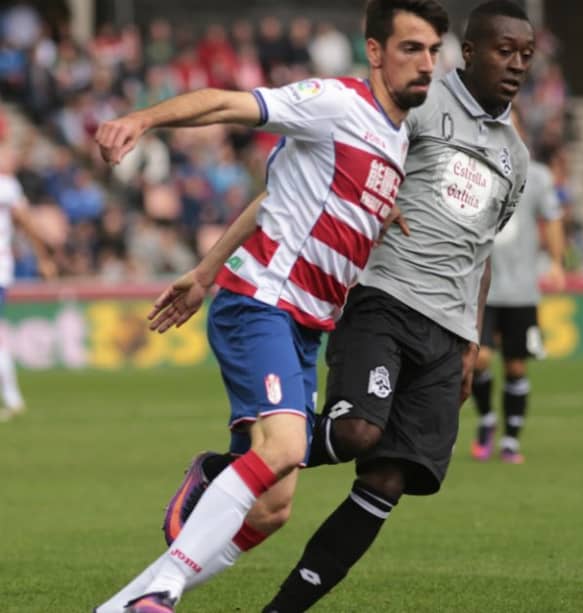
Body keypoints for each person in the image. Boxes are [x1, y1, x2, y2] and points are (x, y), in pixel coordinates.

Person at [91, 2, 447, 611]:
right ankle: (164, 592)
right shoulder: (336, 102)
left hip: (307, 327)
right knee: (283, 449)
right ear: (375, 51)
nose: (427, 63)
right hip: (262, 303)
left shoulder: (396, 139)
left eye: (434, 50)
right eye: (412, 48)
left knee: (273, 508)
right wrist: (144, 118)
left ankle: (127, 601)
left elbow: (274, 197)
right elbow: (228, 102)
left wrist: (204, 270)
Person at [261, 2, 534, 610]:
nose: (515, 65)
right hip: (383, 298)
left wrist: (471, 341)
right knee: (358, 431)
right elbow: (348, 161)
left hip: (449, 333)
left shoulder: (516, 158)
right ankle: (243, 458)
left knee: (387, 481)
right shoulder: (422, 102)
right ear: (469, 52)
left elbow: (480, 252)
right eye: (502, 51)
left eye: (525, 56)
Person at [469, 106, 565, 464]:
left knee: (516, 366)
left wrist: (555, 261)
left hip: (522, 289)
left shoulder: (538, 177)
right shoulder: (475, 171)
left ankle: (510, 439)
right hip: (481, 288)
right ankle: (487, 420)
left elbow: (552, 219)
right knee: (479, 360)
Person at [0, 146, 56, 422]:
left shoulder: (7, 185)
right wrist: (42, 255)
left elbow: (25, 221)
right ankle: (12, 397)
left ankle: (13, 397)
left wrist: (42, 255)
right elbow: (24, 221)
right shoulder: (7, 186)